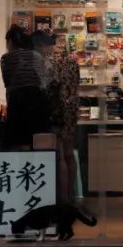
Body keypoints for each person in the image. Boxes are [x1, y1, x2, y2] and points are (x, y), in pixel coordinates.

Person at [43, 33, 82, 208]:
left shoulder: (49, 62)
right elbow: (76, 85)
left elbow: (49, 88)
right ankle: (71, 195)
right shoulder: (73, 61)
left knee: (59, 156)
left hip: (56, 109)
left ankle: (62, 198)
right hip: (71, 109)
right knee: (69, 151)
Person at [0, 25, 50, 148]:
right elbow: (44, 82)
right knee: (38, 142)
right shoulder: (37, 56)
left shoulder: (6, 58)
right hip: (38, 101)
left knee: (20, 142)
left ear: (10, 41)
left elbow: (9, 86)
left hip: (18, 102)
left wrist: (9, 108)